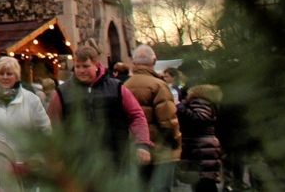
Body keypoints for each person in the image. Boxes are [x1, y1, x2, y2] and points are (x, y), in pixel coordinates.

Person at [48, 44, 153, 166]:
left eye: (86, 66)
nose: (81, 70)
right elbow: (51, 126)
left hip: (115, 161)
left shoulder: (117, 88)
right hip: (78, 164)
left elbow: (136, 115)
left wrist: (142, 143)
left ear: (96, 65)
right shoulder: (62, 93)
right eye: (77, 67)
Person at [124, 45, 182, 191]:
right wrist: (175, 141)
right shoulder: (159, 85)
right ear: (154, 61)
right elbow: (168, 120)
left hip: (135, 148)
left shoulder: (124, 85)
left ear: (134, 62)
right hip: (160, 149)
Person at [0, 56, 50, 153]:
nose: (5, 77)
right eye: (1, 74)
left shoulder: (32, 100)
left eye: (9, 74)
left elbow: (44, 129)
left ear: (17, 77)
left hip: (23, 162)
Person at [177, 85, 223, 192]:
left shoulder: (200, 102)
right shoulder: (207, 103)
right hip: (204, 146)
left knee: (203, 181)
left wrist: (180, 107)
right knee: (205, 180)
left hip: (200, 147)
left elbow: (199, 119)